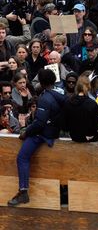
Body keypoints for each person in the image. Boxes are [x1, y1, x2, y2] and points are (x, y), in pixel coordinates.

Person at [7, 69, 67, 206]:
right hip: (55, 130)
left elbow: (39, 123)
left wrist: (26, 132)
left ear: (41, 82)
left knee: (22, 157)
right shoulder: (59, 91)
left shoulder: (45, 99)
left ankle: (23, 192)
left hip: (44, 134)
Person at [63, 75, 98, 142]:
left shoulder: (67, 102)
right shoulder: (92, 104)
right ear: (88, 87)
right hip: (88, 137)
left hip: (74, 136)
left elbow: (65, 125)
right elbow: (96, 125)